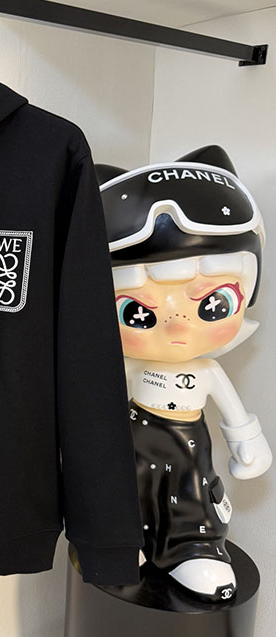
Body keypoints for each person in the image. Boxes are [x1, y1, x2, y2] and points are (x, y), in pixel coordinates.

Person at [96, 146, 271, 602]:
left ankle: (193, 548)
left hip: (188, 444)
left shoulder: (207, 370)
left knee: (191, 495)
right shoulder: (128, 366)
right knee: (122, 492)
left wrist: (248, 441)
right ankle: (119, 543)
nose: (177, 327)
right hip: (133, 437)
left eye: (211, 304)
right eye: (138, 312)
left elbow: (233, 413)